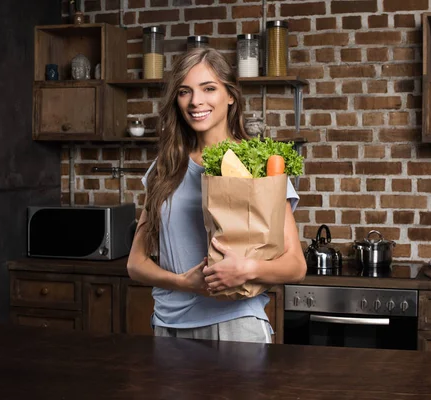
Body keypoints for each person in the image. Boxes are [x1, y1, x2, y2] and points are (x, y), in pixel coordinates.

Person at [127, 47, 306, 343]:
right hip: (168, 327)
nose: (196, 101)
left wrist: (247, 269)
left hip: (236, 324)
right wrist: (183, 283)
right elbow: (135, 264)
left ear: (231, 95)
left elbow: (296, 266)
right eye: (185, 92)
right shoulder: (165, 167)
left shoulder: (258, 163)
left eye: (209, 88)